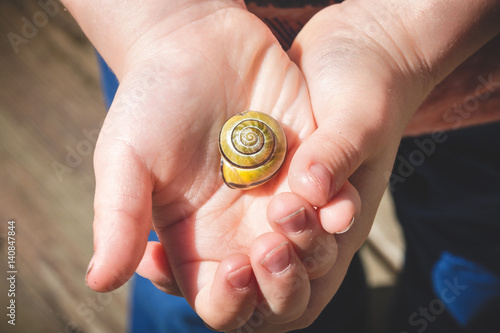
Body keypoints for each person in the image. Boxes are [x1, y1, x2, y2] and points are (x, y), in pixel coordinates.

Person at [61, 0, 500, 331]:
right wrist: (160, 24)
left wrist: (396, 35)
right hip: (175, 58)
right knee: (228, 277)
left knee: (472, 257)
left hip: (469, 74)